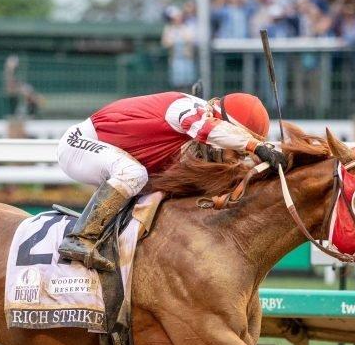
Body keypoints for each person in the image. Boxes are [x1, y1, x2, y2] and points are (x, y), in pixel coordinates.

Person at [57, 91, 285, 271]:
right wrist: (256, 146)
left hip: (112, 153)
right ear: (223, 124)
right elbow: (208, 130)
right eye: (237, 149)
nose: (238, 156)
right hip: (79, 144)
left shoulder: (202, 126)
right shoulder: (186, 109)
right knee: (133, 174)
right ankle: (80, 239)